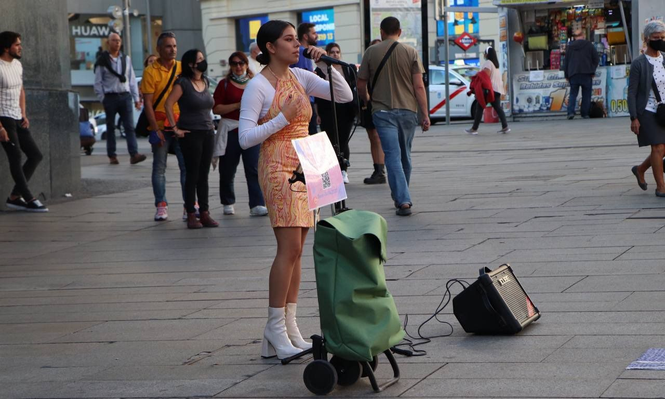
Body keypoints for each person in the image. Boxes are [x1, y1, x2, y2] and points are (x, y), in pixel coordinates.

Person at [238, 20, 352, 360]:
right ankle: (275, 326)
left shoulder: (300, 76)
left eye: (295, 39)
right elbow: (245, 138)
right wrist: (280, 119)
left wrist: (323, 64)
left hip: (308, 164)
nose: (296, 45)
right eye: (288, 40)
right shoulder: (257, 87)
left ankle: (288, 326)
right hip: (277, 167)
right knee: (287, 248)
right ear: (270, 47)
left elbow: (344, 95)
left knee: (300, 248)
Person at [357, 17, 430, 216]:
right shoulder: (411, 52)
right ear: (399, 31)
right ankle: (402, 196)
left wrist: (367, 100)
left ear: (381, 32)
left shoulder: (371, 52)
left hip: (382, 111)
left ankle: (402, 197)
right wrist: (425, 114)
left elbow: (361, 84)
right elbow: (418, 87)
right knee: (404, 154)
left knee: (392, 155)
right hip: (407, 111)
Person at [164, 49, 218, 229]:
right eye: (199, 59)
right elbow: (168, 104)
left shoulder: (205, 81)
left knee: (204, 175)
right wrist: (175, 128)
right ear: (190, 64)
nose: (203, 62)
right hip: (191, 133)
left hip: (208, 131)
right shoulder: (183, 83)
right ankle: (190, 214)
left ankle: (204, 213)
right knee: (192, 174)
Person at [212, 52, 268, 217]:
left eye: (241, 63)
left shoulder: (255, 83)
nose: (238, 67)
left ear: (246, 64)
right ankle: (228, 202)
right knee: (228, 169)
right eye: (234, 63)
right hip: (230, 130)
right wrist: (237, 105)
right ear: (230, 66)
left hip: (251, 130)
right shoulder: (224, 85)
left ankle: (257, 203)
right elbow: (216, 109)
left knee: (254, 168)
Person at [141, 32, 188, 222]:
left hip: (181, 125)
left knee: (186, 167)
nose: (173, 49)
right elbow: (148, 104)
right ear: (159, 49)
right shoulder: (150, 71)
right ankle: (161, 205)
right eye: (168, 46)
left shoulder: (182, 68)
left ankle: (189, 205)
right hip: (160, 126)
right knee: (159, 167)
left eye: (175, 46)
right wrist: (156, 129)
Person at [0, 31, 48, 212]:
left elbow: (21, 91)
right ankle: (28, 198)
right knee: (16, 157)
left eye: (20, 44)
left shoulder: (18, 65)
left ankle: (14, 196)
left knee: (36, 155)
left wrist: (23, 114)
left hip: (17, 116)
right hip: (3, 117)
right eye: (17, 44)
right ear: (6, 47)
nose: (21, 47)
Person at [93, 32, 146, 165]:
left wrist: (136, 99)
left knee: (129, 126)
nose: (117, 43)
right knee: (110, 127)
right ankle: (112, 155)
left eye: (118, 40)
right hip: (110, 97)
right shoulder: (102, 61)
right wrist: (103, 99)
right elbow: (98, 82)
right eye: (114, 40)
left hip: (125, 96)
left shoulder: (126, 59)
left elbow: (132, 79)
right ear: (108, 42)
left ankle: (134, 154)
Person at [628, 20, 665, 197]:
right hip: (648, 110)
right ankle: (661, 187)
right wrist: (634, 117)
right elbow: (632, 92)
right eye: (656, 38)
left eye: (663, 37)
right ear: (647, 39)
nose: (660, 40)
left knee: (663, 148)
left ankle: (640, 169)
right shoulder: (639, 63)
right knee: (657, 147)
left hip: (664, 110)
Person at [314, 42, 357, 184]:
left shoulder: (347, 68)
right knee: (330, 140)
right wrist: (317, 113)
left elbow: (353, 89)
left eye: (337, 52)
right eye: (332, 52)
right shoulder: (321, 69)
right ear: (326, 53)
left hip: (346, 110)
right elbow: (317, 95)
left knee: (343, 140)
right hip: (327, 109)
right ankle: (332, 170)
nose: (335, 54)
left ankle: (343, 170)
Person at [465, 46, 510, 135]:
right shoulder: (495, 64)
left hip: (490, 90)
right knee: (497, 108)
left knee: (480, 107)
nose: (484, 55)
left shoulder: (488, 63)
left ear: (487, 54)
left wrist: (475, 77)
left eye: (484, 53)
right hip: (497, 89)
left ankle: (474, 129)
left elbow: (485, 77)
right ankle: (505, 127)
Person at [362, 38, 387, 185]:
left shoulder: (384, 65)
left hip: (378, 103)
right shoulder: (369, 63)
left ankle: (380, 170)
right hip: (371, 103)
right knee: (373, 137)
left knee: (378, 137)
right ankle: (378, 169)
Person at [564, 29, 599, 120]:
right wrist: (592, 70)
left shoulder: (570, 47)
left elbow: (566, 62)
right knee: (586, 94)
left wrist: (567, 75)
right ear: (583, 35)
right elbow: (596, 58)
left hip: (574, 73)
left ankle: (570, 112)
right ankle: (585, 113)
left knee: (573, 94)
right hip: (586, 73)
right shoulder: (589, 45)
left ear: (575, 38)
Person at [291, 23, 319, 135]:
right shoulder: (303, 53)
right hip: (305, 101)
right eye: (314, 33)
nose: (316, 35)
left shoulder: (303, 52)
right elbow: (303, 80)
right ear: (305, 36)